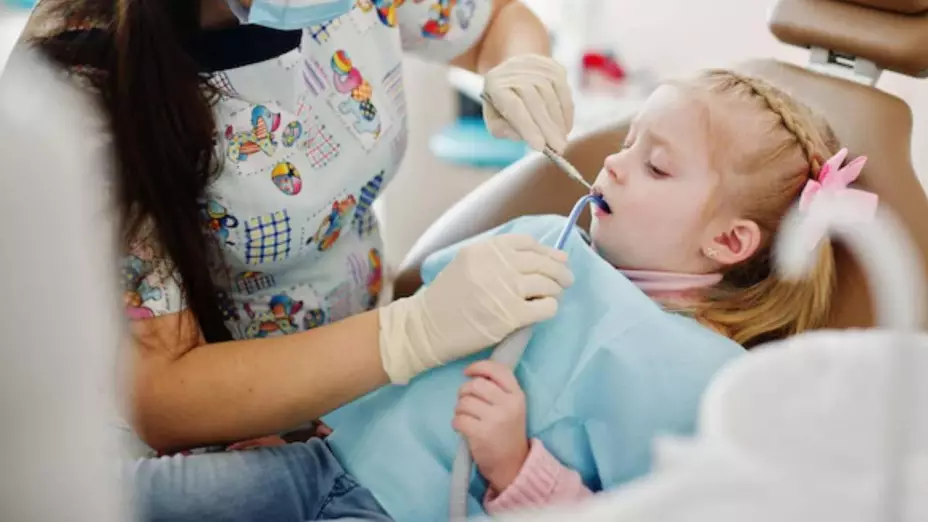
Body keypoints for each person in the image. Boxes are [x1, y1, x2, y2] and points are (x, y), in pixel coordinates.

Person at [21, 0, 577, 520]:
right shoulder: (81, 78)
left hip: (356, 407)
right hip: (197, 451)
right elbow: (162, 396)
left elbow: (497, 18)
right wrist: (412, 333)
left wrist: (522, 63)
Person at [306, 69, 877, 519]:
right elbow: (405, 334)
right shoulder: (538, 241)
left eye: (655, 165)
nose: (613, 162)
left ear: (728, 239)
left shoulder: (701, 379)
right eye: (628, 142)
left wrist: (516, 466)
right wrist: (315, 413)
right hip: (321, 457)